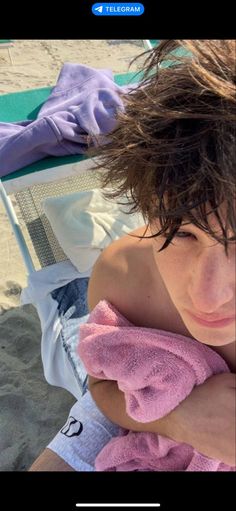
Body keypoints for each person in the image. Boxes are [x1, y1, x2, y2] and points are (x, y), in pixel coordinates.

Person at [29, 39, 236, 471]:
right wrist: (179, 419)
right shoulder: (122, 274)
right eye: (182, 233)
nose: (209, 296)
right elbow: (100, 385)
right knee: (70, 305)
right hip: (106, 309)